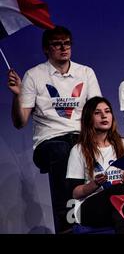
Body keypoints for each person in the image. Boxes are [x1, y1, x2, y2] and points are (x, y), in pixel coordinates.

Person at [7, 25, 101, 233]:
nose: (63, 48)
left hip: (80, 138)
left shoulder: (85, 73)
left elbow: (96, 111)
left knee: (95, 149)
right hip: (49, 143)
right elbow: (20, 121)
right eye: (57, 44)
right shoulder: (34, 75)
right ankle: (66, 222)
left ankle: (102, 217)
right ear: (46, 49)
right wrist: (17, 94)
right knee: (62, 151)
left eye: (67, 43)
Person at [66, 96, 124, 234]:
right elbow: (75, 192)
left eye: (107, 111)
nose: (104, 116)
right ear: (88, 118)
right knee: (116, 192)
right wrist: (95, 184)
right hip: (90, 207)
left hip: (120, 203)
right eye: (97, 113)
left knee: (120, 212)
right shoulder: (79, 150)